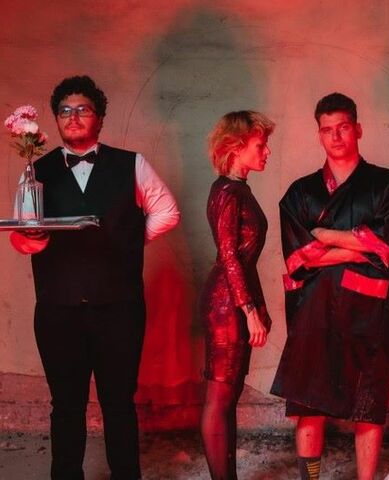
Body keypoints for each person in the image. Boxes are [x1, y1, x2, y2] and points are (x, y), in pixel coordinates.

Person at [9, 75, 180, 480]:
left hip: (119, 308)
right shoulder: (36, 171)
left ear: (99, 118)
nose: (72, 116)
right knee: (65, 405)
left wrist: (129, 240)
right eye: (64, 110)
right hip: (58, 308)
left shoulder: (132, 164)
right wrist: (31, 239)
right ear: (56, 119)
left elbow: (167, 212)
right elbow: (24, 238)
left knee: (119, 403)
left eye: (82, 109)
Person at [271, 92, 389, 480]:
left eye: (343, 127)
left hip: (369, 310)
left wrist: (326, 236)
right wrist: (358, 245)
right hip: (313, 309)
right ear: (319, 134)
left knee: (368, 405)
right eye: (327, 129)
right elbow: (300, 258)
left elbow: (386, 249)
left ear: (358, 129)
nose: (335, 136)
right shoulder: (300, 192)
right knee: (309, 402)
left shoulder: (386, 184)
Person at [199, 111, 275, 479]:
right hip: (226, 305)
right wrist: (249, 310)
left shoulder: (235, 188)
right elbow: (229, 256)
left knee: (227, 399)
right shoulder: (229, 192)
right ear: (235, 147)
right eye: (260, 145)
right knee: (219, 399)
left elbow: (243, 260)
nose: (267, 151)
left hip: (231, 300)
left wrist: (258, 305)